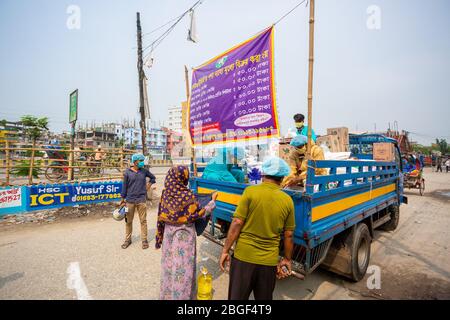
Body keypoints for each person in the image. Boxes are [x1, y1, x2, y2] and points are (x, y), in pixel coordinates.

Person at [219, 157, 295, 300]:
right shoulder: (287, 201)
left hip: (243, 258)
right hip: (268, 262)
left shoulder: (250, 192)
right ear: (282, 177)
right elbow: (289, 235)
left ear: (263, 173)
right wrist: (287, 259)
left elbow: (236, 222)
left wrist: (225, 250)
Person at [156, 166, 216, 300]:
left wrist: (159, 236)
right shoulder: (187, 196)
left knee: (169, 268)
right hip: (185, 240)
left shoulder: (165, 194)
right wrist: (212, 202)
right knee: (183, 270)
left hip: (168, 237)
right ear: (184, 178)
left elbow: (160, 216)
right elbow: (199, 214)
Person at [119, 153, 156, 250]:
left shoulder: (144, 171)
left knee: (143, 221)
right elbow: (124, 187)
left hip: (141, 200)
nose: (142, 162)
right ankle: (128, 240)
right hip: (129, 201)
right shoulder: (127, 173)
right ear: (135, 161)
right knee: (128, 221)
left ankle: (144, 240)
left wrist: (148, 186)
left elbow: (153, 178)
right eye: (141, 160)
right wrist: (122, 200)